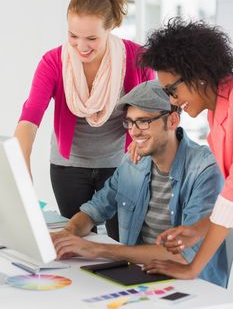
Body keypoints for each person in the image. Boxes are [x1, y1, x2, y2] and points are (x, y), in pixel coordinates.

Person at [51, 81, 227, 287]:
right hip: (140, 275)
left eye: (143, 122)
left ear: (172, 121)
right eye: (130, 122)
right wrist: (67, 233)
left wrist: (95, 249)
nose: (134, 132)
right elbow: (95, 209)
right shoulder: (133, 162)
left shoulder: (204, 170)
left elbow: (186, 255)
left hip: (191, 286)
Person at [14, 0, 155, 241]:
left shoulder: (136, 58)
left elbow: (154, 111)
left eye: (91, 38)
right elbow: (30, 117)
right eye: (73, 36)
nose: (81, 46)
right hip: (69, 168)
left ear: (109, 29)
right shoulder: (53, 62)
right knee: (76, 244)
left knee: (122, 242)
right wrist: (20, 168)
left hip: (121, 165)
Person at [137, 17, 233, 283]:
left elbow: (230, 198)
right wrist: (198, 229)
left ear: (198, 77)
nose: (172, 101)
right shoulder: (217, 110)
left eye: (172, 90)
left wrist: (192, 269)